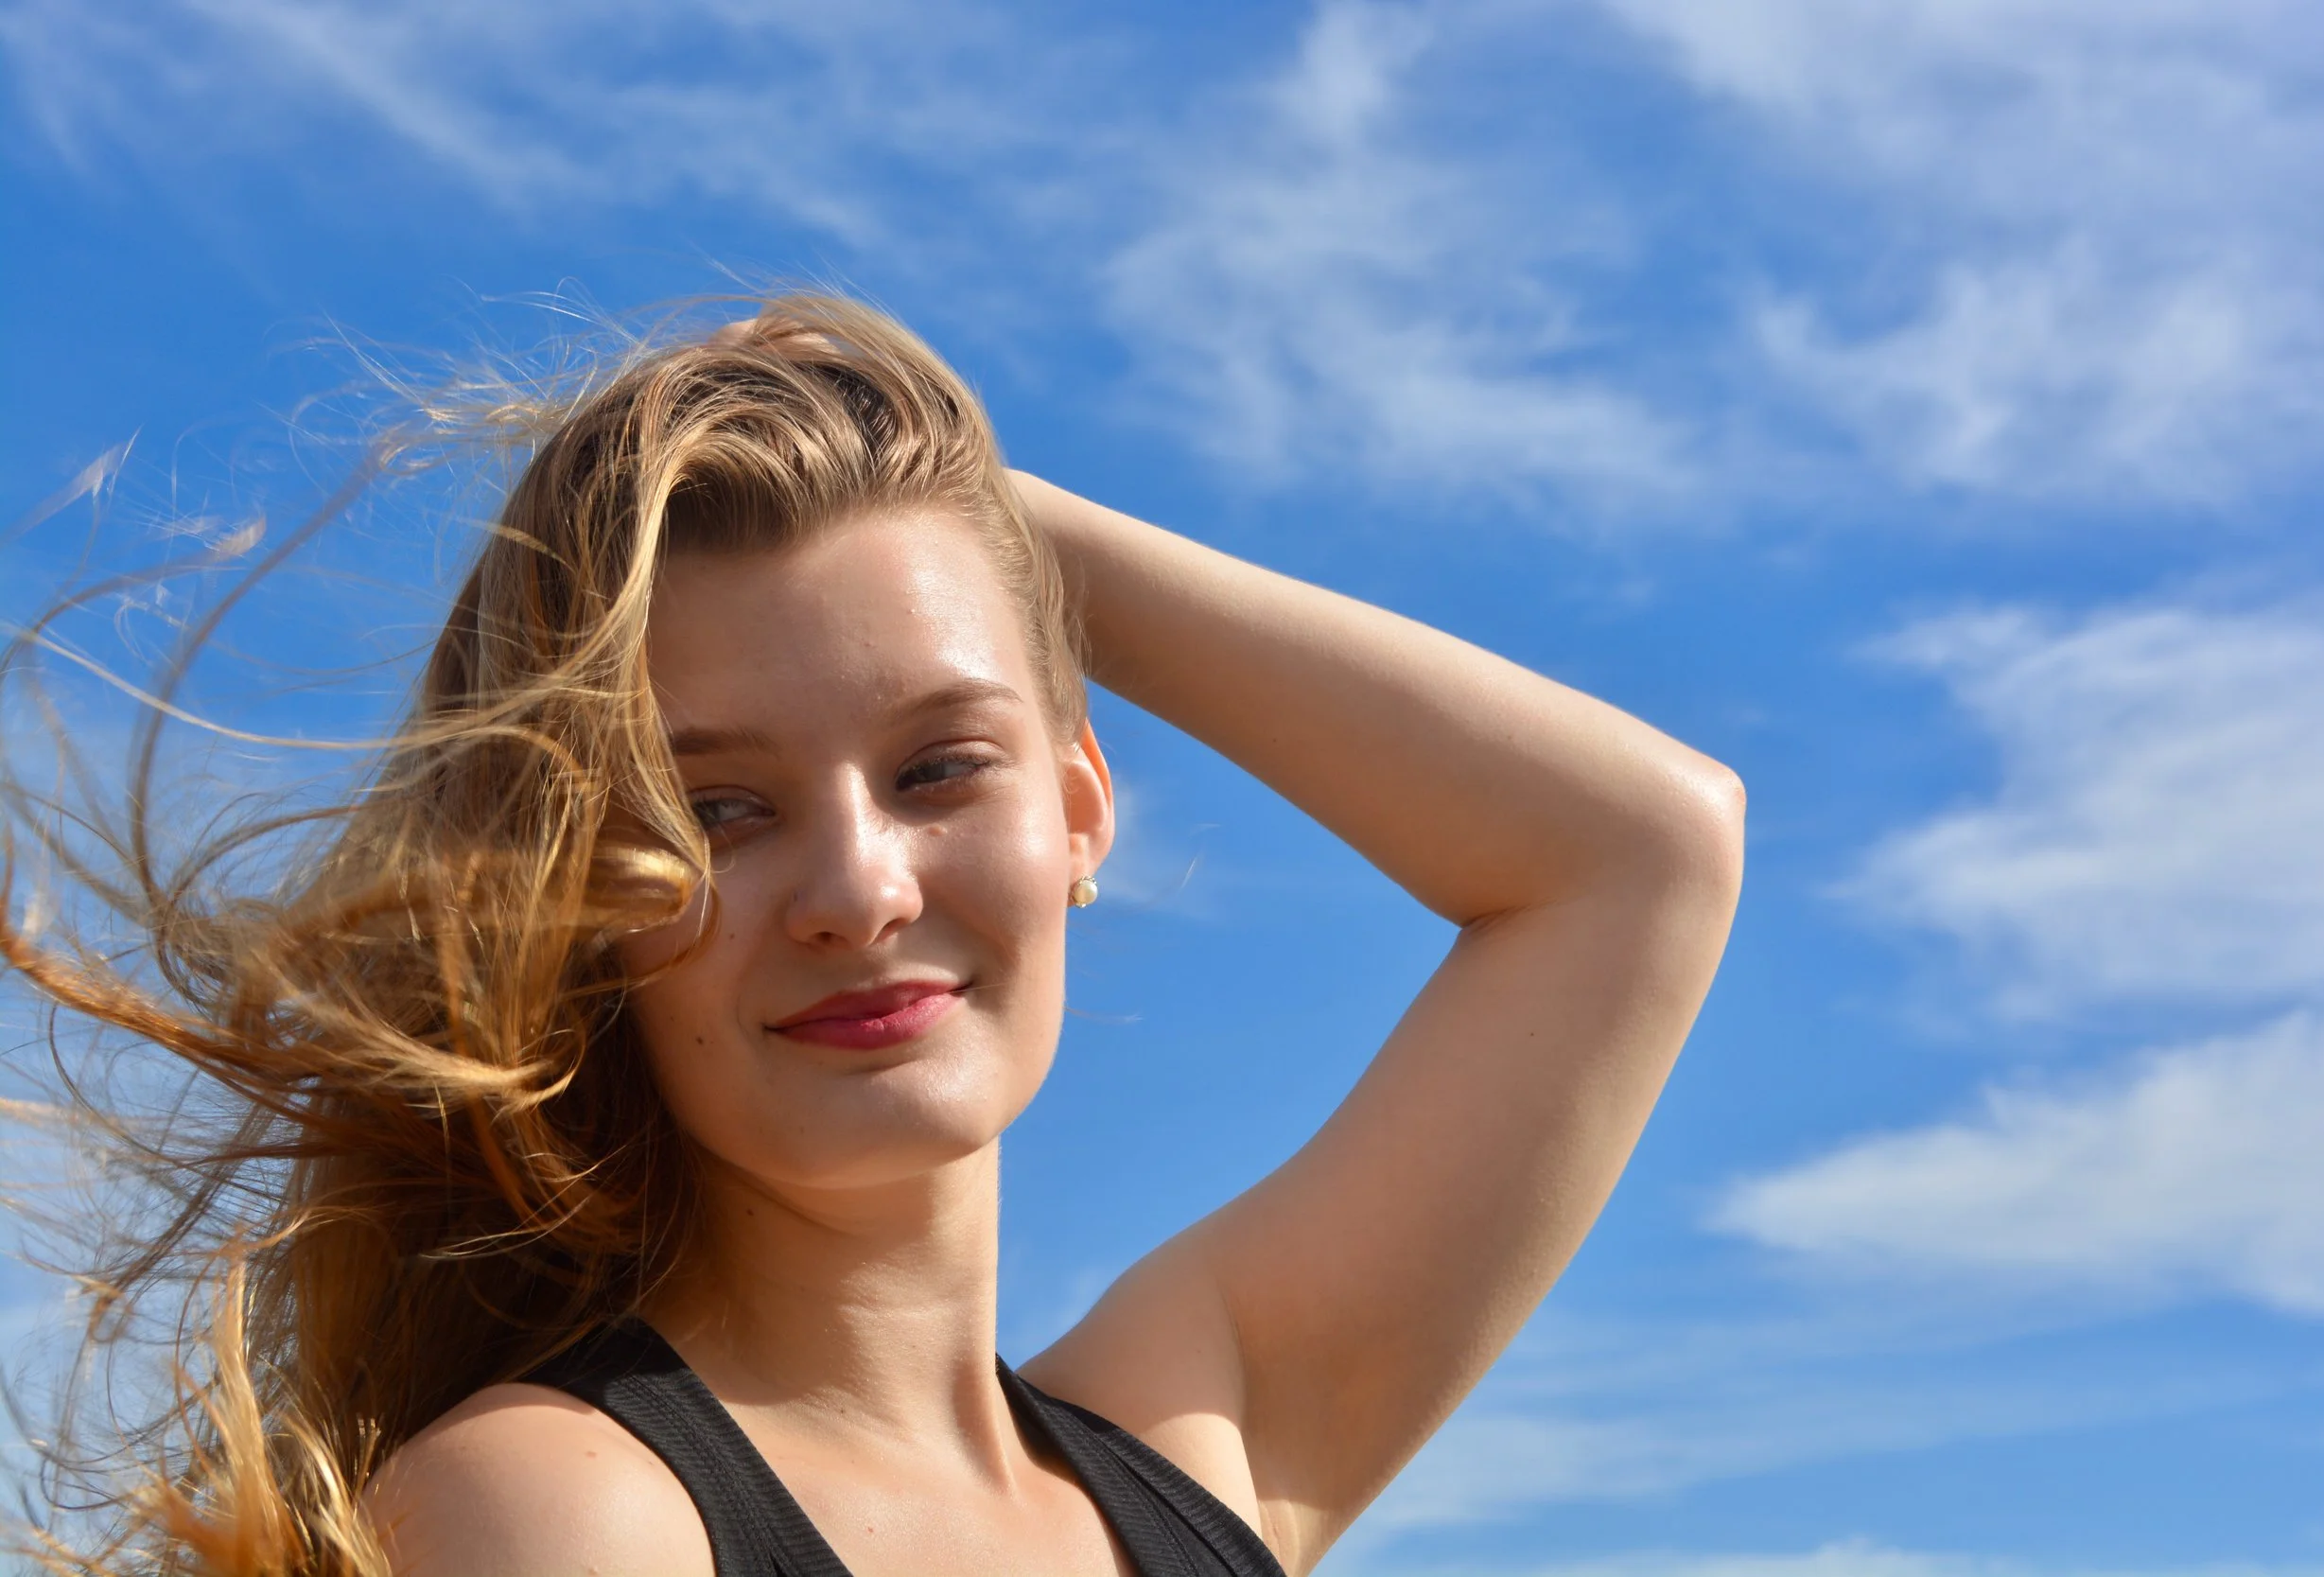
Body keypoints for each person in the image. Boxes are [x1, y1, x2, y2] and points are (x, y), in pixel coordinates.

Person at [2, 294, 1742, 1576]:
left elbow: (1644, 848)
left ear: (1080, 808)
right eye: (720, 809)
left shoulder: (1194, 1445)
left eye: (938, 767)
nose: (859, 888)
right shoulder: (561, 1511)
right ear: (580, 895)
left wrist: (981, 520)